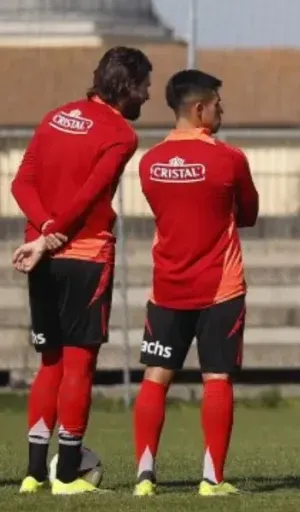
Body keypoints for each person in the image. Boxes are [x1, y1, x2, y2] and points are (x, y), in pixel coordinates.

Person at [10, 46, 151, 495]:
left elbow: (21, 183)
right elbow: (89, 195)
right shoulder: (121, 134)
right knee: (78, 365)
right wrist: (51, 234)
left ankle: (34, 474)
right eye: (144, 86)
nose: (148, 96)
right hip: (85, 255)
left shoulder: (55, 117)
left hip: (42, 256)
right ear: (126, 87)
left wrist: (41, 234)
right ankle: (68, 476)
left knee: (49, 363)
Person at [131, 69, 259, 497]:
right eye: (218, 104)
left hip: (167, 286)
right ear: (200, 108)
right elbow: (249, 213)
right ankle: (212, 479)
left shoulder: (149, 162)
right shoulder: (229, 158)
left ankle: (144, 476)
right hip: (220, 287)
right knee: (217, 379)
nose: (223, 110)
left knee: (155, 377)